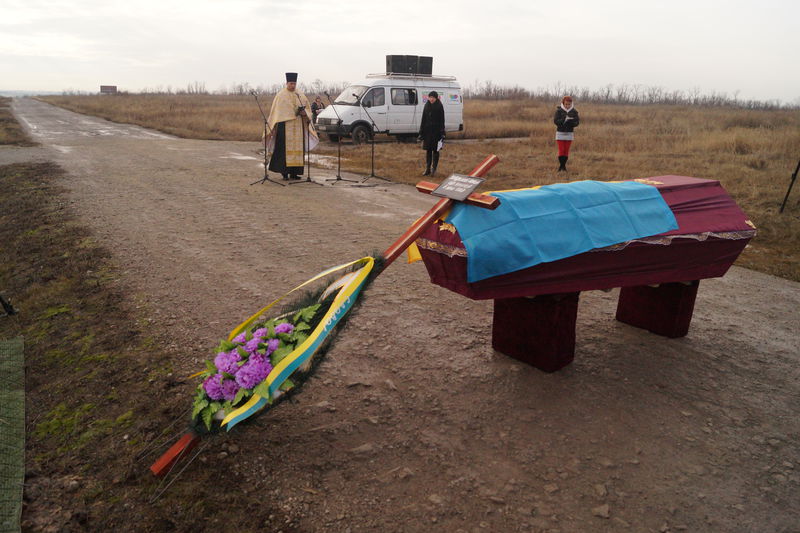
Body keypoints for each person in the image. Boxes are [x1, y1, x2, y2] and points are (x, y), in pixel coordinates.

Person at [267, 73, 319, 180]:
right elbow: (277, 112)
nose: (293, 86)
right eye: (291, 83)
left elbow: (309, 110)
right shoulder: (281, 95)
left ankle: (295, 173)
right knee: (283, 150)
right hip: (285, 126)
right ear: (287, 83)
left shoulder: (300, 94)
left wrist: (306, 113)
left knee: (298, 150)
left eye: (294, 83)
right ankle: (284, 172)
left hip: (299, 126)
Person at [418, 91, 446, 176]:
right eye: (430, 97)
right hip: (427, 132)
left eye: (433, 97)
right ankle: (427, 169)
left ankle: (434, 169)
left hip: (437, 132)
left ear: (436, 98)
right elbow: (423, 119)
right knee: (428, 151)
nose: (431, 99)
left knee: (436, 151)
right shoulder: (426, 105)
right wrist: (421, 132)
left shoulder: (439, 106)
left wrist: (442, 132)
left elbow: (442, 120)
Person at [553, 95, 579, 172]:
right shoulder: (559, 111)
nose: (567, 106)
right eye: (566, 104)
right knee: (561, 149)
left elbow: (577, 123)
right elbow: (556, 121)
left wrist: (571, 122)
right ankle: (562, 166)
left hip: (569, 134)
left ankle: (563, 167)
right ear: (563, 103)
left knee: (566, 151)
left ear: (571, 104)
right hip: (560, 133)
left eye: (569, 104)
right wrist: (563, 120)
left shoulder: (574, 112)